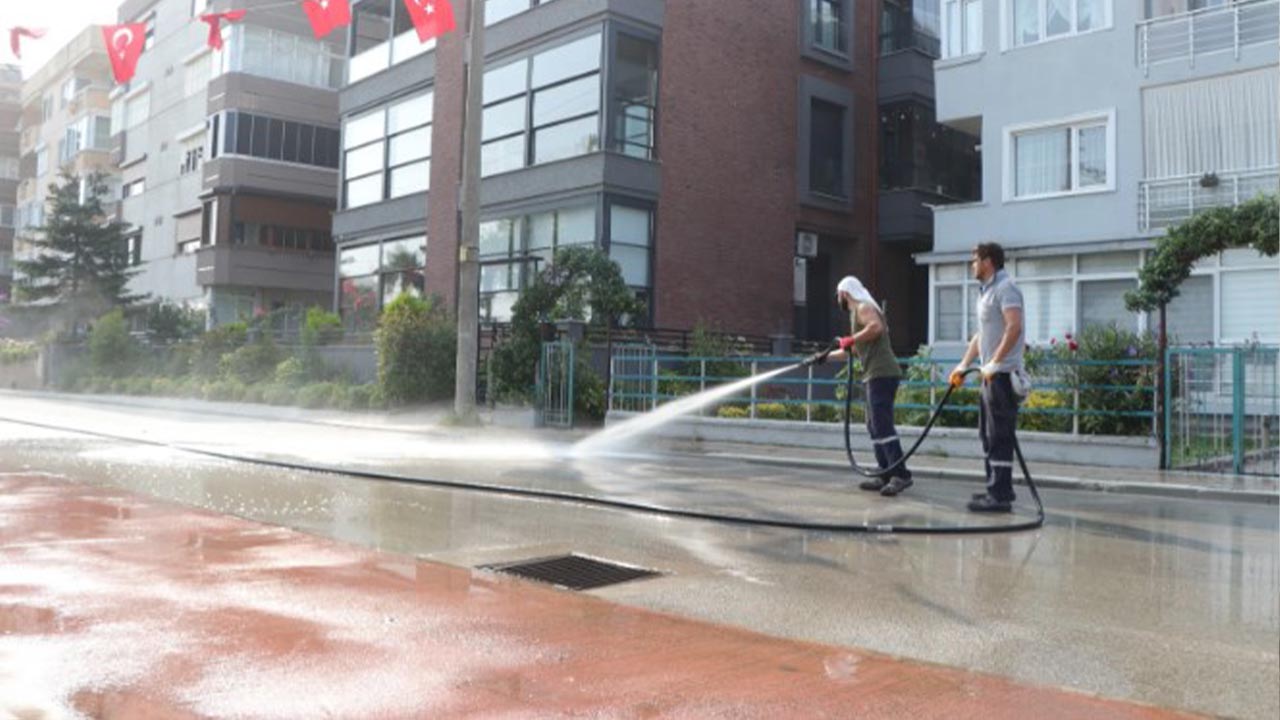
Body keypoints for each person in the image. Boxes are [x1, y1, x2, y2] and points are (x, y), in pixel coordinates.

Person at [817, 275, 912, 497]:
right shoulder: (856, 314)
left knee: (882, 423)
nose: (837, 299)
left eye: (838, 295)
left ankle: (901, 474)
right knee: (873, 425)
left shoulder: (863, 307)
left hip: (883, 372)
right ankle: (885, 471)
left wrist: (851, 339)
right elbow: (854, 349)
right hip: (874, 374)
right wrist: (824, 357)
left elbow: (875, 327)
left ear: (844, 293)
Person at [950, 242, 1025, 513]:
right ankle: (994, 488)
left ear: (988, 261)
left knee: (1000, 436)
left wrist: (995, 362)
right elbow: (982, 336)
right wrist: (963, 365)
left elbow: (1014, 327)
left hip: (1002, 376)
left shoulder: (1007, 288)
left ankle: (1001, 496)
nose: (972, 265)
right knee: (987, 434)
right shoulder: (986, 292)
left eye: (974, 260)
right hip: (989, 375)